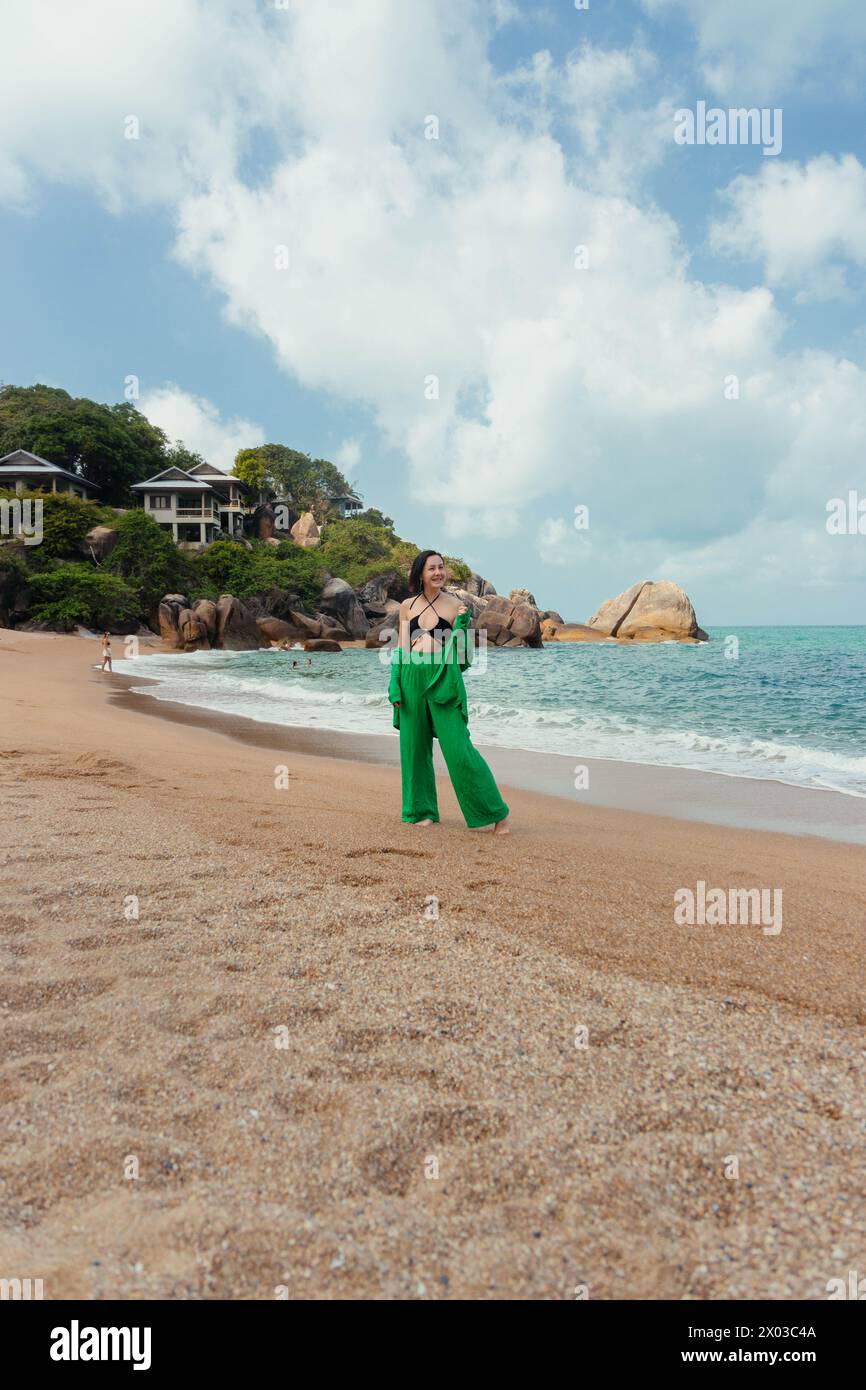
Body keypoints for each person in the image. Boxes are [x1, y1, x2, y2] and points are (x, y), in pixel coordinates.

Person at [388, 550, 510, 833]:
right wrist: (395, 685)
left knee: (458, 750)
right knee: (414, 751)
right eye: (432, 568)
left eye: (441, 567)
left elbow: (464, 658)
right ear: (421, 573)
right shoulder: (407, 606)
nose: (438, 573)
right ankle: (422, 811)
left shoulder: (456, 606)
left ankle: (497, 814)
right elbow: (401, 649)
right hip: (410, 677)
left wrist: (464, 626)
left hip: (443, 678)